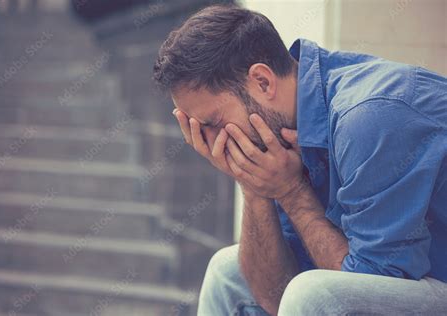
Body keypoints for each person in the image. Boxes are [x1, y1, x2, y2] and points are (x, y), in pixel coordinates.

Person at [153, 4, 447, 316]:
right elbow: (274, 298)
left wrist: (292, 192)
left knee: (315, 295)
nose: (213, 145)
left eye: (211, 124)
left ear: (263, 82)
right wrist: (254, 186)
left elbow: (363, 290)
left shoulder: (370, 117)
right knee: (227, 273)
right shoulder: (287, 126)